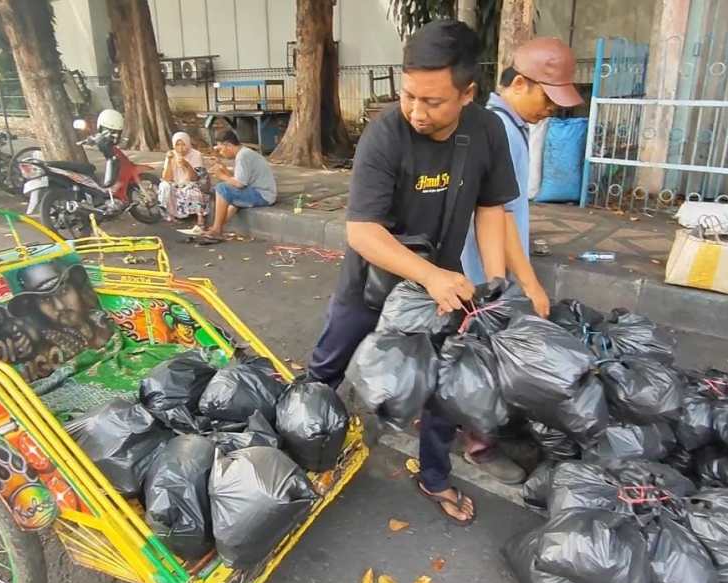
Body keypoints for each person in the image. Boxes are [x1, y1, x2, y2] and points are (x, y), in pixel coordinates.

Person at [307, 20, 549, 525]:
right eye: (408, 95)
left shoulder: (486, 130)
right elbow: (363, 232)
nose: (416, 111)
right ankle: (302, 455)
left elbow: (490, 208)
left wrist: (494, 286)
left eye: (432, 101)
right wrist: (429, 275)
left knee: (446, 387)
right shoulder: (385, 134)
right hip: (371, 285)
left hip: (442, 289)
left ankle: (434, 476)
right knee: (324, 373)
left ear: (467, 93)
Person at [459, 37, 583, 466]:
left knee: (479, 342)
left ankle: (474, 425)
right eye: (547, 98)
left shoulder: (504, 124)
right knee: (486, 344)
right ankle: (478, 437)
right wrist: (529, 283)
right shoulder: (501, 131)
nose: (551, 108)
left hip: (490, 262)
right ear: (522, 84)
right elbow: (501, 215)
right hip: (486, 264)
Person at [201, 130, 277, 240]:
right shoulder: (244, 153)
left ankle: (217, 230)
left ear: (228, 145)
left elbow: (240, 184)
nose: (221, 153)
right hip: (260, 192)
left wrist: (220, 175)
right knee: (229, 195)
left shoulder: (243, 156)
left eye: (221, 149)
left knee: (221, 188)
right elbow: (238, 180)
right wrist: (223, 168)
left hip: (263, 195)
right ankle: (217, 228)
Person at [159, 131, 209, 232]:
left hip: (192, 183)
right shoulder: (171, 154)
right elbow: (166, 178)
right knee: (164, 186)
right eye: (177, 144)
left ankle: (200, 218)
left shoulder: (196, 155)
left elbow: (195, 178)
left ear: (188, 143)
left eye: (183, 144)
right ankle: (170, 214)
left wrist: (187, 165)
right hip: (176, 184)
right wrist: (169, 161)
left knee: (192, 188)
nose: (181, 148)